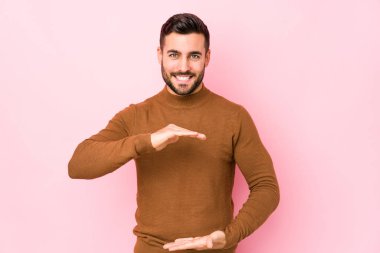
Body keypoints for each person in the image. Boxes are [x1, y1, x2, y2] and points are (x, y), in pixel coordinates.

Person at [68, 13, 280, 253]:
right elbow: (78, 165)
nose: (183, 67)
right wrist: (146, 141)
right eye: (174, 55)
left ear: (207, 58)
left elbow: (266, 187)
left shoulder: (234, 116)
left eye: (194, 56)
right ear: (159, 55)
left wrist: (228, 236)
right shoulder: (136, 116)